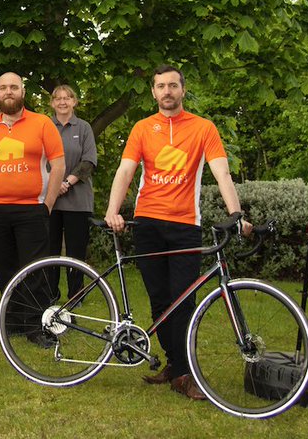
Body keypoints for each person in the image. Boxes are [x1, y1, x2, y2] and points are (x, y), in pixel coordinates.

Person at [104, 64, 250, 401]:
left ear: (182, 90)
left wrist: (235, 213)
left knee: (183, 300)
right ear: (153, 92)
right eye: (160, 86)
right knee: (159, 300)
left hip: (186, 225)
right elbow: (126, 171)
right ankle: (175, 364)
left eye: (173, 85)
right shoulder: (142, 128)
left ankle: (185, 373)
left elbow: (222, 172)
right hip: (147, 223)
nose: (167, 91)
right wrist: (113, 210)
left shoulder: (203, 128)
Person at [0, 72, 64, 339]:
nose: (8, 91)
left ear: (23, 91)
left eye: (13, 87)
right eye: (3, 88)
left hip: (31, 210)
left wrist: (48, 204)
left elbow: (59, 165)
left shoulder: (42, 123)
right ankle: (11, 323)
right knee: (5, 269)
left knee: (35, 270)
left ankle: (37, 327)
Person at [47, 85, 97, 296]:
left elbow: (89, 161)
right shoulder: (46, 126)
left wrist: (66, 182)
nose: (62, 102)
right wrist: (54, 183)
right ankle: (50, 295)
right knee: (50, 251)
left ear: (74, 102)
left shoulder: (84, 127)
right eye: (58, 98)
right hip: (51, 199)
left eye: (67, 98)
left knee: (76, 253)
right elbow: (40, 159)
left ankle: (75, 296)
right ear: (52, 103)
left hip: (78, 201)